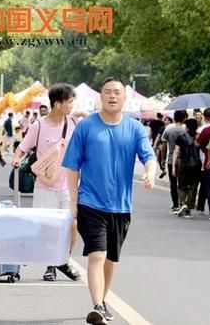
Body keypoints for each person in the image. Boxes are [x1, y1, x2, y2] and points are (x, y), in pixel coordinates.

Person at [63, 78, 156, 325]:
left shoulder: (135, 128)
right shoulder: (86, 127)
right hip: (90, 202)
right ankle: (96, 305)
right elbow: (72, 167)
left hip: (121, 206)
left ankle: (102, 303)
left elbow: (149, 156)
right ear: (100, 97)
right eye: (107, 92)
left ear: (124, 98)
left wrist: (150, 172)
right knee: (97, 254)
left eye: (117, 92)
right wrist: (73, 199)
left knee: (110, 258)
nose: (112, 96)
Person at [12, 83, 80, 282]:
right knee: (48, 227)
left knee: (73, 225)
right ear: (57, 104)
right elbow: (23, 147)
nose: (72, 105)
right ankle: (51, 264)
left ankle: (63, 259)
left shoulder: (75, 123)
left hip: (69, 185)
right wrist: (17, 158)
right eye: (69, 102)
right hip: (45, 185)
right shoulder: (39, 125)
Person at [172, 118, 201, 218]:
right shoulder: (198, 137)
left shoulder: (181, 137)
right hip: (196, 165)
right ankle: (189, 208)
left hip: (183, 164)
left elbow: (176, 151)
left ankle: (182, 203)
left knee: (181, 185)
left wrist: (173, 167)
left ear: (187, 128)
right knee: (193, 186)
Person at [161, 110, 187, 214]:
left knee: (173, 183)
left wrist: (163, 159)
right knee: (183, 182)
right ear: (184, 118)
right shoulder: (185, 131)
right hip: (184, 159)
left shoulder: (169, 131)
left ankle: (175, 204)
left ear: (174, 118)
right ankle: (183, 202)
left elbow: (164, 147)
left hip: (171, 159)